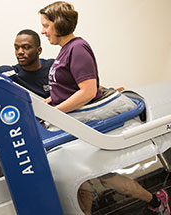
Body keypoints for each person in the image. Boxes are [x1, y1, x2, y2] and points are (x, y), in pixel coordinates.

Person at [39, 1, 170, 215]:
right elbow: (71, 86)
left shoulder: (77, 48)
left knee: (98, 178)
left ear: (60, 24)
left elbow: (88, 91)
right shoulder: (65, 50)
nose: (43, 31)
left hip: (85, 123)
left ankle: (156, 201)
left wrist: (56, 112)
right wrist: (51, 101)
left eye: (46, 25)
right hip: (71, 122)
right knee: (87, 181)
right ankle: (155, 201)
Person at [0, 29, 54, 98]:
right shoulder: (10, 73)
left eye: (26, 47)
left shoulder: (54, 67)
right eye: (16, 48)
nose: (20, 52)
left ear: (39, 51)